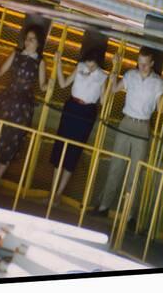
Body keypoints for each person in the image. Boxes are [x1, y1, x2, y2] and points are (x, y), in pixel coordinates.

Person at [89, 47, 163, 229]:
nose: (143, 67)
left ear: (152, 64)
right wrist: (115, 68)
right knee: (116, 164)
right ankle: (104, 206)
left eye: (146, 64)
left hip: (142, 126)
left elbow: (160, 109)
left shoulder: (158, 82)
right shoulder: (131, 75)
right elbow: (114, 89)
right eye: (140, 63)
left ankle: (130, 215)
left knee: (135, 172)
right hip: (126, 122)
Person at [0, 26, 48, 194]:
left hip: (22, 107)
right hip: (7, 101)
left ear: (38, 43)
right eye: (27, 38)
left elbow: (42, 86)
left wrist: (52, 82)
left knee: (12, 141)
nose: (27, 42)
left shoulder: (40, 62)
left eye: (32, 39)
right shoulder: (16, 54)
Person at [49, 48, 108, 206]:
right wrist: (58, 64)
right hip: (71, 107)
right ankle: (52, 192)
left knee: (73, 151)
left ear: (98, 63)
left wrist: (111, 83)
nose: (89, 67)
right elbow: (63, 84)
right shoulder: (80, 66)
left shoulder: (103, 76)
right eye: (88, 63)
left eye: (92, 65)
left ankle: (58, 194)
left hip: (86, 112)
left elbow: (103, 101)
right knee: (60, 145)